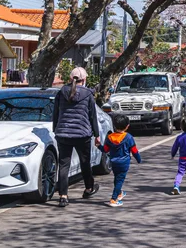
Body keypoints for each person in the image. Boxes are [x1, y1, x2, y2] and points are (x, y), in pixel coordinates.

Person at [52, 66, 101, 208]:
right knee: (85, 162)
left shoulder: (61, 92)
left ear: (70, 79)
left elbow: (56, 113)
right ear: (84, 79)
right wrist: (97, 135)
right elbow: (93, 116)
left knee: (64, 165)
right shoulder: (88, 94)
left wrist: (56, 129)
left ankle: (63, 196)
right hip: (82, 134)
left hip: (63, 134)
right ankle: (88, 188)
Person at [100, 114, 142, 207]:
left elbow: (105, 150)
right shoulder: (128, 137)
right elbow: (134, 150)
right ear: (127, 126)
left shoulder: (110, 137)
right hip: (124, 163)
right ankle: (114, 199)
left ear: (114, 126)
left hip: (114, 162)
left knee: (117, 178)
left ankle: (119, 193)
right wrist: (139, 159)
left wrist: (99, 145)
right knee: (120, 180)